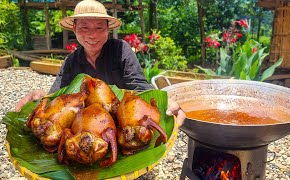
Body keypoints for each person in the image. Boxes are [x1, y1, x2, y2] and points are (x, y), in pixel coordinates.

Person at [15, 0, 185, 126]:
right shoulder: (71, 61)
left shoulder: (121, 50)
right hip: (87, 127)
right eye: (84, 27)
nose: (92, 35)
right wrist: (40, 98)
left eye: (99, 28)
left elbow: (140, 87)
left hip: (123, 124)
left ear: (108, 29)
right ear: (74, 29)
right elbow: (58, 99)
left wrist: (162, 103)